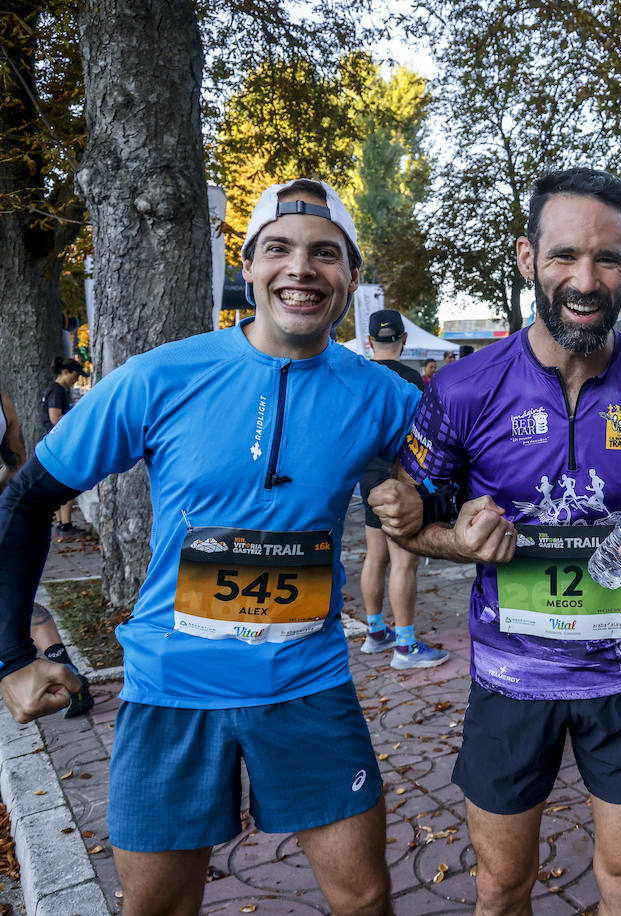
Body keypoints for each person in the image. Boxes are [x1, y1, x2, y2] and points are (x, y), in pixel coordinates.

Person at [0, 178, 421, 916]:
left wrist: (426, 497)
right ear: (250, 265)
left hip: (309, 688)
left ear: (350, 278)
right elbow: (28, 497)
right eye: (279, 250)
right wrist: (9, 657)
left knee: (365, 899)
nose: (302, 269)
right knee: (157, 909)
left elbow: (462, 487)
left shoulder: (385, 396)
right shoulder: (162, 375)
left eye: (326, 254)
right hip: (171, 691)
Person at [369, 167, 621, 914]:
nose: (586, 278)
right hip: (510, 685)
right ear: (527, 258)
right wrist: (452, 537)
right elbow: (408, 517)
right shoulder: (462, 389)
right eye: (565, 255)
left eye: (607, 258)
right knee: (502, 886)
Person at [357, 309, 449, 668]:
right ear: (404, 340)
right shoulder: (413, 380)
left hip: (367, 475)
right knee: (403, 563)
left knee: (374, 555)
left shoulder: (360, 377)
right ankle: (405, 647)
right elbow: (427, 437)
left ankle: (376, 633)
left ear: (369, 342)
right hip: (401, 478)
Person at [0, 385, 93, 716]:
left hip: (14, 517)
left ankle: (63, 678)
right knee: (26, 608)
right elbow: (17, 465)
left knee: (22, 608)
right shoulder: (4, 399)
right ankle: (68, 677)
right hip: (12, 515)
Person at [43, 357, 87, 540]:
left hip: (55, 444)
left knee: (62, 485)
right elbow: (55, 418)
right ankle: (66, 526)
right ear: (65, 372)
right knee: (69, 484)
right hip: (60, 445)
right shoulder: (57, 391)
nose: (76, 381)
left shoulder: (56, 390)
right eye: (75, 376)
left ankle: (63, 524)